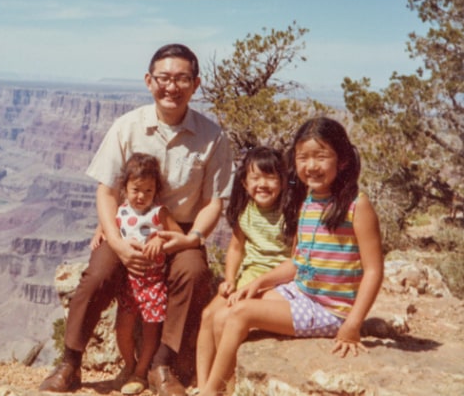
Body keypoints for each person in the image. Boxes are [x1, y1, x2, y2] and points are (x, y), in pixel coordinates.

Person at [39, 43, 234, 396]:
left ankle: (161, 365)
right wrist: (115, 240)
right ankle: (70, 362)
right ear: (149, 80)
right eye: (164, 78)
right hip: (126, 228)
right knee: (97, 275)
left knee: (192, 273)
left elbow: (213, 202)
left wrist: (192, 240)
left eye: (182, 79)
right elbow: (106, 191)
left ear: (196, 83)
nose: (171, 87)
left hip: (178, 234)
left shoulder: (212, 137)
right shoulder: (126, 127)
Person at [197, 117, 384, 396]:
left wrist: (353, 324)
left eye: (321, 156)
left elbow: (373, 270)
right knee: (223, 314)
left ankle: (212, 391)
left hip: (329, 308)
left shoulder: (357, 205)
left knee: (239, 314)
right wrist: (257, 284)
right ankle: (231, 388)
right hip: (301, 293)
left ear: (343, 160)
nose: (311, 166)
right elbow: (297, 263)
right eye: (303, 157)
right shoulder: (309, 201)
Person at [195, 146, 291, 390]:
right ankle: (203, 384)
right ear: (245, 183)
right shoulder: (246, 212)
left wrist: (255, 285)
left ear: (282, 180)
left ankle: (226, 388)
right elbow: (236, 249)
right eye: (255, 177)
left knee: (223, 319)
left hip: (275, 282)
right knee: (208, 315)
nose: (263, 184)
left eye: (270, 177)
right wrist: (229, 280)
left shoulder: (288, 215)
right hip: (246, 278)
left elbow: (295, 261)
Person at [100, 153, 185, 395]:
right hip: (128, 283)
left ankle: (142, 371)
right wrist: (100, 231)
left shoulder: (159, 213)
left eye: (148, 191)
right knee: (123, 330)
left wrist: (160, 237)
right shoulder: (121, 211)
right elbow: (110, 225)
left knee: (150, 332)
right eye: (136, 189)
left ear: (156, 190)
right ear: (125, 187)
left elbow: (178, 235)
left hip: (153, 284)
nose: (141, 196)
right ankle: (130, 364)